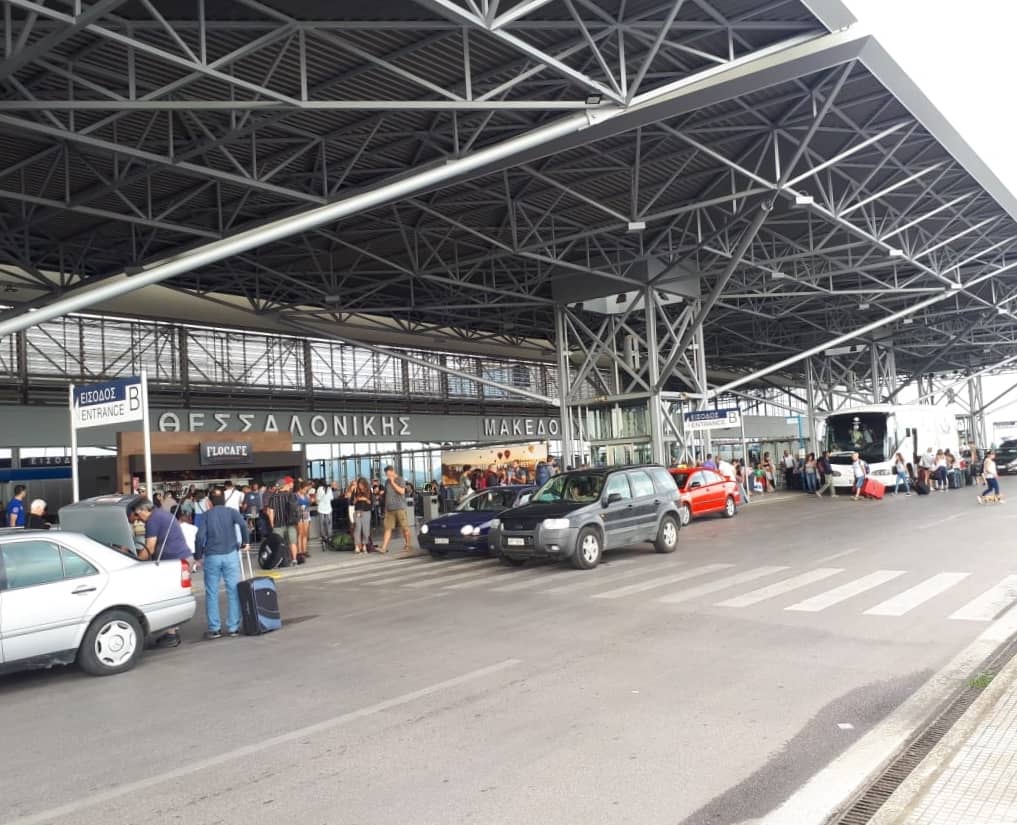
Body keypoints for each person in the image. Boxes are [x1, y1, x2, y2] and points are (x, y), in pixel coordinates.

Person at [128, 499, 193, 647]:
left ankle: (171, 635)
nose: (138, 519)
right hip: (182, 558)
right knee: (172, 594)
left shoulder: (152, 520)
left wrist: (134, 561)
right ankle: (171, 632)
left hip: (174, 561)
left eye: (138, 515)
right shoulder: (161, 515)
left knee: (169, 595)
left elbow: (149, 547)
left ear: (144, 510)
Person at [194, 491, 249, 639]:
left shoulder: (206, 515)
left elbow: (199, 537)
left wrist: (198, 556)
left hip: (212, 556)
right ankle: (233, 628)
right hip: (231, 555)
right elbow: (243, 525)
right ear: (224, 501)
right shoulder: (232, 512)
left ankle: (215, 629)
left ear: (210, 502)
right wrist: (245, 542)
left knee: (212, 592)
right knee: (233, 590)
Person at [265, 476, 301, 566]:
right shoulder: (292, 496)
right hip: (291, 523)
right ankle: (294, 560)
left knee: (278, 544)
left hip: (278, 524)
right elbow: (297, 509)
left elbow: (271, 512)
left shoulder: (273, 497)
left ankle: (279, 561)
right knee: (292, 542)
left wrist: (272, 523)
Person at [379, 465, 413, 557]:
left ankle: (408, 544)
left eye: (389, 474)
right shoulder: (386, 482)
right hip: (389, 509)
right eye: (386, 475)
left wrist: (393, 482)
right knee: (388, 528)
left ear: (393, 471)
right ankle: (384, 547)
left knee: (404, 527)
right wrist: (385, 508)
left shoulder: (400, 480)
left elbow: (402, 491)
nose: (387, 476)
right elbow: (387, 495)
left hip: (400, 508)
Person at [352, 478, 373, 553]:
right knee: (357, 528)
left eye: (361, 485)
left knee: (365, 529)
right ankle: (357, 545)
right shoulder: (355, 491)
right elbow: (352, 502)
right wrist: (357, 499)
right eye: (359, 485)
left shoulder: (369, 491)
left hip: (366, 511)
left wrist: (365, 499)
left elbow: (371, 503)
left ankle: (364, 544)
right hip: (358, 511)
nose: (360, 486)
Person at [295, 481, 312, 561]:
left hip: (306, 513)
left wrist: (309, 498)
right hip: (299, 514)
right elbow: (294, 505)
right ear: (300, 488)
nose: (305, 491)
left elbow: (310, 503)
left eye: (306, 489)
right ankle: (300, 551)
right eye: (304, 489)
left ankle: (304, 550)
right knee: (300, 533)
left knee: (305, 533)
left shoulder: (306, 495)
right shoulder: (296, 495)